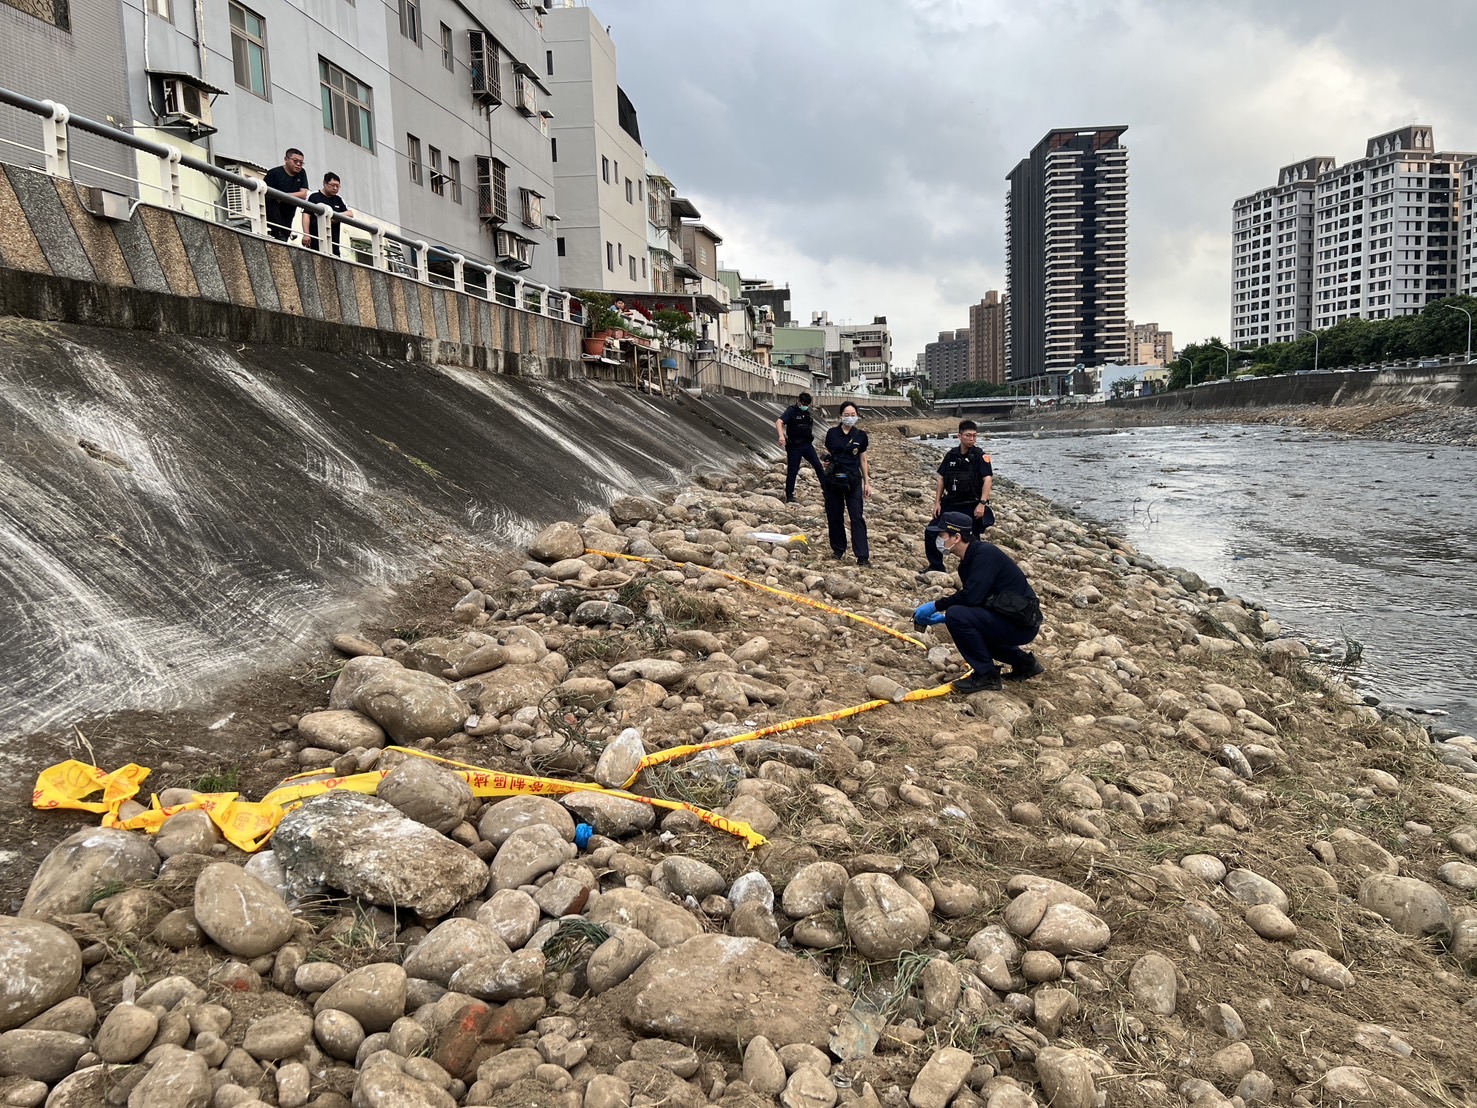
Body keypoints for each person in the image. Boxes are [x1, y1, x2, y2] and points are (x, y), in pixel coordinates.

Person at [913, 511, 1045, 693]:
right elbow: (975, 601)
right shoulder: (967, 562)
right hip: (1004, 616)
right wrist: (942, 616)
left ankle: (987, 676)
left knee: (957, 616)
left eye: (942, 535)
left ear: (956, 537)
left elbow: (970, 597)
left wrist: (937, 606)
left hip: (1021, 622)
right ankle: (1025, 664)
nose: (939, 539)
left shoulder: (985, 555)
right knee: (966, 621)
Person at [922, 420, 994, 573]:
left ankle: (975, 569)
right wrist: (937, 503)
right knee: (931, 531)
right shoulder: (951, 456)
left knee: (971, 539)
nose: (972, 439)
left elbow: (987, 479)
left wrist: (982, 503)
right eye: (968, 435)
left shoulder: (980, 456)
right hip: (950, 503)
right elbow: (941, 478)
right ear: (959, 436)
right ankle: (936, 566)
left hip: (971, 504)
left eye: (975, 436)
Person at [822, 401, 871, 566]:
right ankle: (838, 549)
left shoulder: (861, 436)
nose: (850, 418)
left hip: (853, 480)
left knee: (856, 517)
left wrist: (867, 482)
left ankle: (862, 556)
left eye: (853, 415)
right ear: (840, 416)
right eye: (846, 415)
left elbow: (863, 460)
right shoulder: (832, 433)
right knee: (834, 515)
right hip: (834, 479)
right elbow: (829, 453)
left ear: (857, 415)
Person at [775, 391, 825, 502]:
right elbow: (779, 422)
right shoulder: (791, 411)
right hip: (794, 446)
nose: (805, 406)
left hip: (807, 445)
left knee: (818, 466)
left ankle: (827, 490)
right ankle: (790, 496)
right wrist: (781, 436)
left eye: (807, 405)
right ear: (799, 401)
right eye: (804, 404)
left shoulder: (807, 413)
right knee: (793, 471)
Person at [264, 148, 309, 242]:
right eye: (295, 161)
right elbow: (265, 193)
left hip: (289, 210)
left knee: (285, 236)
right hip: (273, 210)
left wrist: (284, 196)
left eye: (301, 162)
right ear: (286, 159)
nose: (298, 165)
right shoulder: (274, 173)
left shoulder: (302, 173)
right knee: (276, 233)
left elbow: (304, 194)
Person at [305, 172, 353, 255]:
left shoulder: (339, 199)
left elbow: (350, 213)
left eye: (337, 186)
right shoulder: (314, 196)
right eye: (332, 185)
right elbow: (306, 215)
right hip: (315, 239)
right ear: (324, 183)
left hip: (333, 242)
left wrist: (337, 216)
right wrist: (306, 234)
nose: (335, 188)